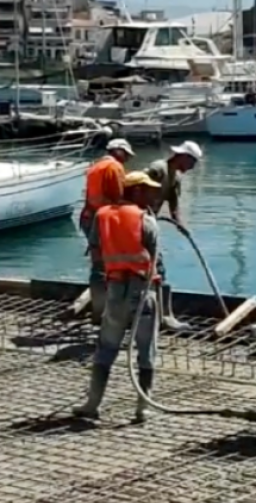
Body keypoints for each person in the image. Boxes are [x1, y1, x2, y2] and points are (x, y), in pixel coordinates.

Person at [73, 170, 163, 424]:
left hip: (115, 291)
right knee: (146, 350)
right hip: (143, 292)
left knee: (106, 348)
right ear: (136, 190)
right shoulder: (146, 220)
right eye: (148, 190)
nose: (153, 195)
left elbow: (96, 253)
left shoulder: (102, 216)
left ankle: (92, 404)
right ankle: (143, 408)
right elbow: (156, 260)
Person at [145, 140, 203, 331]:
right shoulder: (157, 169)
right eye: (192, 162)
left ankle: (163, 314)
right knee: (152, 267)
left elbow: (174, 206)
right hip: (138, 223)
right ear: (183, 157)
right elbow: (136, 192)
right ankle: (159, 315)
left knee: (157, 269)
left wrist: (181, 224)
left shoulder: (175, 178)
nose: (192, 167)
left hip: (150, 224)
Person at [79, 138, 135, 323]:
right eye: (126, 154)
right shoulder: (114, 167)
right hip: (103, 220)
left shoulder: (96, 166)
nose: (127, 159)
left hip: (89, 217)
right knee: (108, 266)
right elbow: (118, 198)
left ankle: (98, 309)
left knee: (98, 266)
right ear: (118, 151)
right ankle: (107, 313)